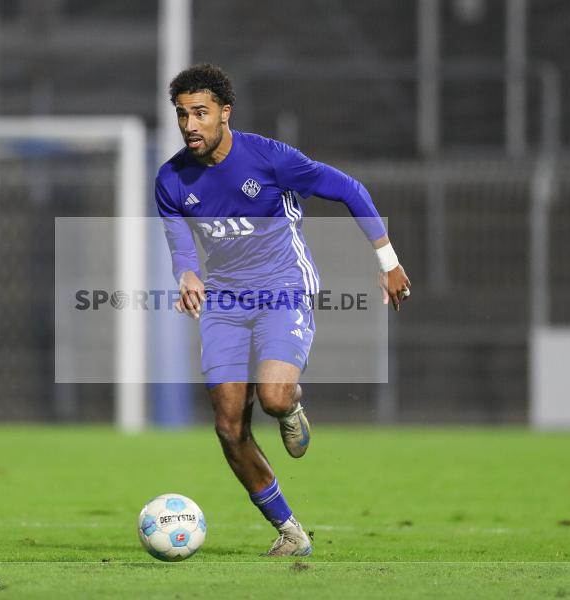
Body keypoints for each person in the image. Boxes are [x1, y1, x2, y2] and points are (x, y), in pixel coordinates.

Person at [155, 64, 411, 557]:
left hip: (284, 288)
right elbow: (179, 242)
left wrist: (389, 261)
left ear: (224, 114)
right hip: (225, 302)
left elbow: (350, 190)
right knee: (229, 426)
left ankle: (290, 402)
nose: (190, 125)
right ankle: (290, 531)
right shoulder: (171, 179)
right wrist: (186, 274)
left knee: (271, 398)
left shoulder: (271, 160)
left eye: (201, 113)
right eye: (183, 115)